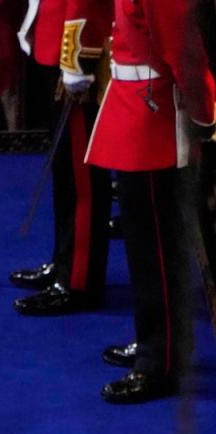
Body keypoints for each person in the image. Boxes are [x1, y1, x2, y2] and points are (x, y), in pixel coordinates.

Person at [86, 0, 216, 402]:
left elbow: (184, 53)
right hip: (135, 109)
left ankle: (162, 362)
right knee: (145, 250)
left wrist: (204, 118)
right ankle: (155, 343)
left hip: (157, 119)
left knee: (157, 254)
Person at [10, 0, 113, 316]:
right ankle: (64, 261)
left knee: (81, 177)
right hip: (55, 38)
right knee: (65, 170)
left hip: (77, 48)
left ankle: (77, 280)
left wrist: (77, 59)